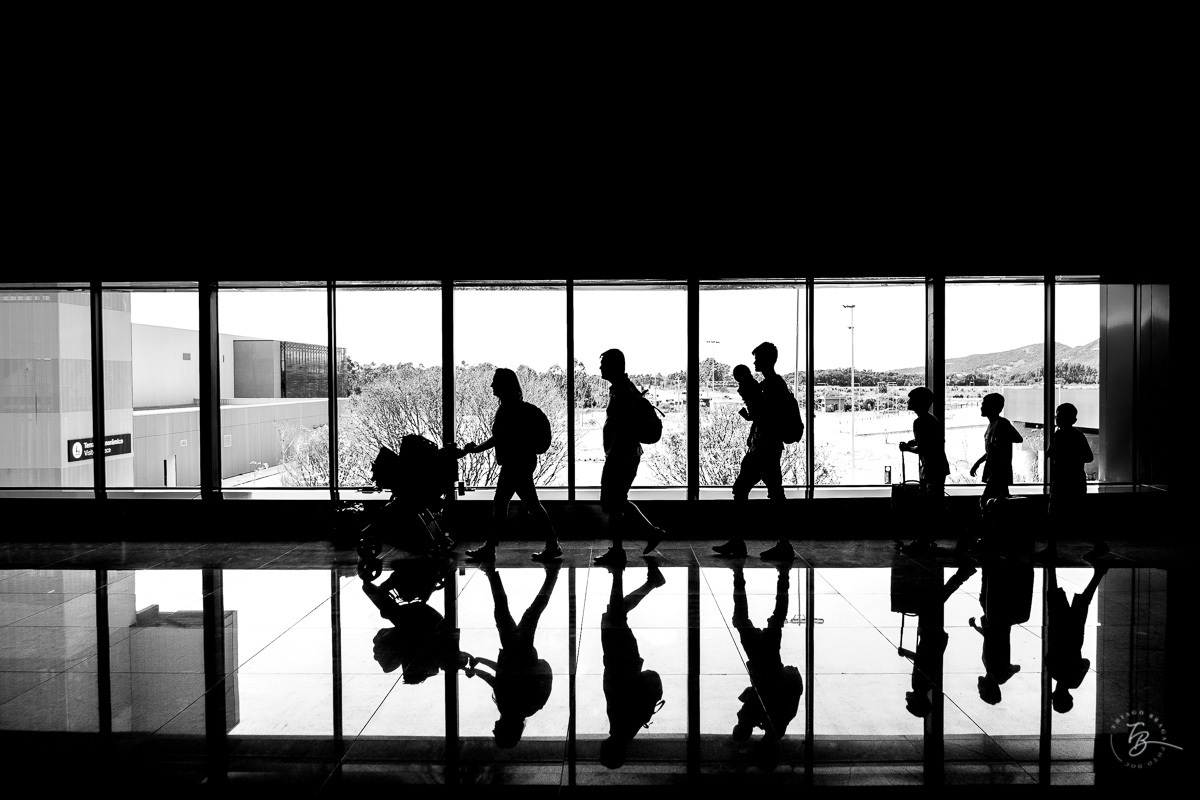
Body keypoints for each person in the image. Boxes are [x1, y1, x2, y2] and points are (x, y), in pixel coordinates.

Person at [458, 368, 562, 562]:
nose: (492, 385)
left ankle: (493, 548)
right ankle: (550, 544)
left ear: (504, 385)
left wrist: (475, 449)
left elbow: (497, 439)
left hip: (515, 464)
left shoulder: (508, 409)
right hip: (521, 462)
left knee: (507, 504)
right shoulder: (517, 407)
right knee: (523, 504)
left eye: (495, 382)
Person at [714, 343, 796, 561]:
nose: (754, 363)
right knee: (772, 494)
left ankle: (743, 541)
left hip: (763, 447)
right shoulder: (773, 384)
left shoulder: (771, 386)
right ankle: (779, 542)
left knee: (745, 490)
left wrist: (752, 409)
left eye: (757, 358)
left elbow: (766, 415)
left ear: (767, 360)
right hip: (766, 446)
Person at [464, 561, 559, 748]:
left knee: (529, 613)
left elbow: (500, 676)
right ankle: (492, 572)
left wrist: (479, 663)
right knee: (506, 611)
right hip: (514, 651)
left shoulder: (527, 709)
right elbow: (498, 677)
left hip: (522, 653)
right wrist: (477, 666)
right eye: (496, 733)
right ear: (505, 730)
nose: (493, 730)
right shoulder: (507, 707)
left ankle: (551, 575)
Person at [594, 349, 666, 567]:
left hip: (621, 455)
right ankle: (649, 533)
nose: (600, 368)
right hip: (625, 454)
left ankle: (618, 550)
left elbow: (622, 426)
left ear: (614, 366)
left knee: (614, 503)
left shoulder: (623, 392)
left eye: (604, 363)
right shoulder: (623, 389)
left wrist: (613, 450)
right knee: (617, 500)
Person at [728, 563, 803, 770]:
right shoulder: (773, 723)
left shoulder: (777, 726)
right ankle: (738, 574)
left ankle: (783, 576)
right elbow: (750, 706)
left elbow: (789, 690)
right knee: (741, 618)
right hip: (763, 662)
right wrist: (744, 727)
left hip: (772, 662)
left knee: (777, 617)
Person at [599, 560, 667, 769]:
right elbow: (618, 689)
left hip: (622, 662)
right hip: (620, 661)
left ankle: (648, 582)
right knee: (614, 615)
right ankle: (618, 572)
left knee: (616, 614)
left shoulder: (626, 729)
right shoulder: (621, 727)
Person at [1036, 403, 1103, 561]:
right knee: (1072, 515)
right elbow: (1086, 457)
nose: (1057, 419)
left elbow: (1087, 457)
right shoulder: (1069, 435)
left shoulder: (1067, 436)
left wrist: (1065, 456)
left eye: (1059, 416)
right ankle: (1098, 544)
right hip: (1069, 480)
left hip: (1068, 480)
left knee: (1062, 515)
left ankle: (1052, 548)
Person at [1046, 563, 1107, 714]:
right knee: (1055, 599)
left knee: (1082, 603)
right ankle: (1050, 566)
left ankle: (1098, 574)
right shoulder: (1054, 673)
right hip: (1058, 634)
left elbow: (1085, 663)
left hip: (1074, 638)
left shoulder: (1073, 681)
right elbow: (1048, 657)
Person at [897, 387, 950, 553]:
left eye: (911, 399)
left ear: (918, 402)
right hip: (936, 467)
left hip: (931, 468)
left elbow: (924, 448)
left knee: (928, 506)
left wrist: (907, 448)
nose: (908, 402)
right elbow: (928, 441)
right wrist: (913, 442)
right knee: (931, 505)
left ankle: (924, 538)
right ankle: (927, 538)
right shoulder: (930, 419)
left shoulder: (920, 422)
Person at [969, 393, 1023, 509]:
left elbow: (1018, 439)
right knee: (994, 502)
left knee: (988, 502)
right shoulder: (992, 425)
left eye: (984, 405)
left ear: (993, 408)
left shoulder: (1002, 423)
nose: (981, 407)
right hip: (995, 471)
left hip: (999, 471)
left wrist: (1001, 441)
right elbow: (991, 450)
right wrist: (978, 463)